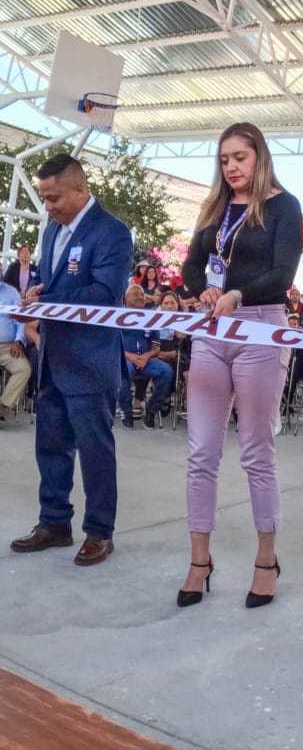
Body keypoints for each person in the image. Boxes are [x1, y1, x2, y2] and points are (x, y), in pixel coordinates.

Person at [178, 122, 303, 610]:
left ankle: (266, 559)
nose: (231, 167)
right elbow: (191, 265)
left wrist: (238, 292)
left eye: (240, 158)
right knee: (201, 451)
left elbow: (283, 272)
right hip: (212, 328)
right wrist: (202, 289)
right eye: (224, 159)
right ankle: (198, 559)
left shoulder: (283, 206)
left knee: (256, 450)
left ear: (259, 156)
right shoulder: (213, 208)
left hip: (260, 328)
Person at [9, 154, 133, 566]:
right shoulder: (52, 230)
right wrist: (38, 295)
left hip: (91, 359)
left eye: (54, 197)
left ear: (79, 190)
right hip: (52, 356)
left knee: (95, 451)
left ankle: (99, 532)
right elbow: (57, 284)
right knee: (51, 446)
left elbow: (104, 294)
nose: (48, 206)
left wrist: (45, 303)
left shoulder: (112, 232)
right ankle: (54, 522)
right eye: (43, 199)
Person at [117, 285, 175, 429]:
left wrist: (147, 356)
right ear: (126, 298)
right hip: (125, 359)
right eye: (135, 293)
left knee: (166, 371)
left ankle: (151, 410)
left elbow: (156, 347)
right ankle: (127, 411)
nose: (139, 296)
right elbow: (111, 345)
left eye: (142, 293)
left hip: (146, 360)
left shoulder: (150, 318)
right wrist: (130, 356)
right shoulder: (117, 316)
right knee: (124, 370)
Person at [0, 280, 32, 425]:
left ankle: (2, 406)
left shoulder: (12, 293)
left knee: (24, 369)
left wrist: (19, 341)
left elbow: (21, 321)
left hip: (8, 346)